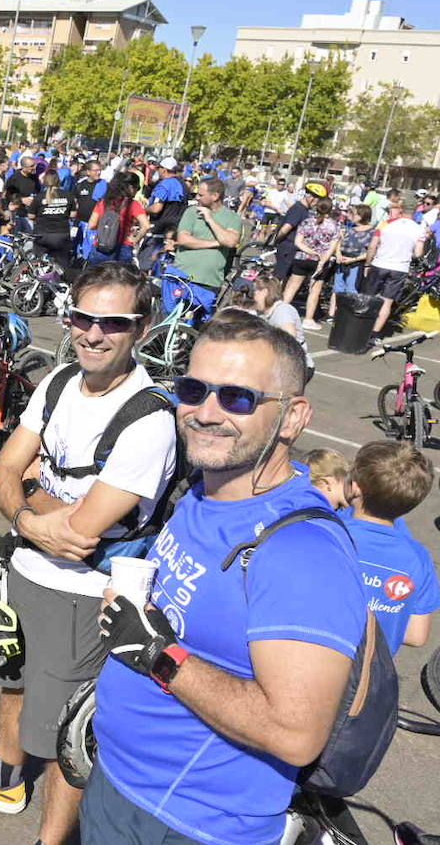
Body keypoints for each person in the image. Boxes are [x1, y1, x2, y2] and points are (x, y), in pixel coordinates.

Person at [82, 312, 369, 843]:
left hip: (189, 822)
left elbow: (295, 732)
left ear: (291, 417)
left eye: (237, 397)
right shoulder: (204, 490)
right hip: (121, 783)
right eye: (193, 389)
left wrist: (159, 657)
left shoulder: (302, 554)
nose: (205, 413)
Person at [0, 262, 177, 844]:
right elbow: (4, 469)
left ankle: (52, 840)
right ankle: (2, 779)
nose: (92, 332)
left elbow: (82, 532)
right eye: (82, 317)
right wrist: (29, 513)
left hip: (83, 594)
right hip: (26, 566)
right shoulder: (59, 380)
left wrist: (29, 497)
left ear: (140, 330)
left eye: (112, 322)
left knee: (66, 734)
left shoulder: (148, 419)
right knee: (12, 680)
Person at [343, 441, 440, 656]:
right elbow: (416, 635)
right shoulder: (418, 558)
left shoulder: (328, 531)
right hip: (369, 676)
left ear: (356, 487)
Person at [162, 177, 243, 317]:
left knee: (196, 327)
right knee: (171, 319)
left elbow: (230, 241)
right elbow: (183, 239)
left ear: (215, 196)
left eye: (201, 195)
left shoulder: (232, 218)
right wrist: (216, 243)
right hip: (183, 276)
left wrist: (210, 219)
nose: (197, 198)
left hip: (208, 282)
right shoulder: (191, 212)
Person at [362, 203, 426, 337]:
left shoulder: (385, 224)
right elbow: (418, 253)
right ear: (414, 213)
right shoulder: (419, 229)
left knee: (368, 297)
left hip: (380, 263)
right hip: (399, 268)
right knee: (387, 301)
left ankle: (362, 327)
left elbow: (372, 245)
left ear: (401, 211)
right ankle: (375, 333)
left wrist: (368, 264)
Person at [281, 196, 340, 329]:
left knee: (292, 286)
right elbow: (332, 248)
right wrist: (321, 259)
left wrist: (310, 251)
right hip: (320, 261)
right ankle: (308, 319)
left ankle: (280, 313)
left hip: (302, 257)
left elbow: (298, 242)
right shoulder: (334, 225)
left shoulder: (307, 222)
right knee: (314, 290)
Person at [248, 274, 314, 381]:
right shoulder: (265, 312)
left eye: (254, 293)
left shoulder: (282, 311)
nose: (252, 298)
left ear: (264, 292)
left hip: (295, 368)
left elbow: (289, 341)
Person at [86, 174, 149, 265]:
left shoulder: (103, 202)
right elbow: (146, 225)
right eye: (137, 188)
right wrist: (135, 239)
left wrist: (105, 229)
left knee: (96, 277)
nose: (137, 191)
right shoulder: (133, 204)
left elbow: (91, 225)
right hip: (123, 247)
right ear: (130, 187)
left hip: (100, 246)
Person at [330, 203, 376, 319]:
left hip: (356, 263)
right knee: (337, 288)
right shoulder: (350, 229)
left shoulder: (372, 232)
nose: (351, 216)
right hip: (342, 261)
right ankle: (332, 314)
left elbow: (371, 252)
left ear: (361, 216)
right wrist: (338, 253)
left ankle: (347, 315)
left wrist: (352, 259)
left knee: (351, 289)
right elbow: (339, 242)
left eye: (353, 214)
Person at [272, 181, 326, 281]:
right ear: (311, 198)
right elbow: (285, 229)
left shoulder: (304, 209)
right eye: (318, 200)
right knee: (278, 278)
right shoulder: (299, 209)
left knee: (286, 278)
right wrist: (277, 240)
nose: (317, 203)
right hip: (288, 247)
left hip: (292, 248)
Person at [29, 168, 74, 272]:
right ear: (58, 180)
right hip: (61, 234)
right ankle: (61, 285)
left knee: (39, 264)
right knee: (61, 266)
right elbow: (73, 214)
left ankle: (39, 284)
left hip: (42, 234)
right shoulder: (68, 195)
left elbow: (31, 215)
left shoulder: (39, 197)